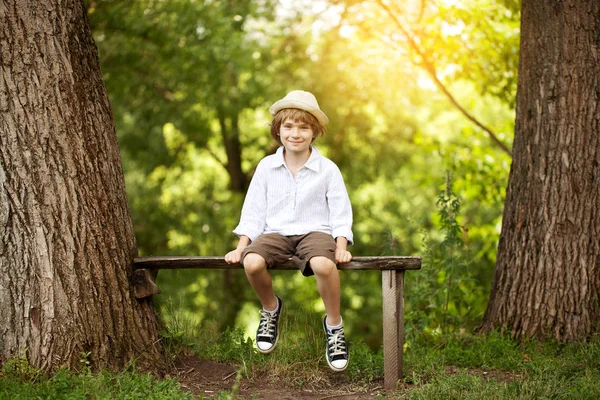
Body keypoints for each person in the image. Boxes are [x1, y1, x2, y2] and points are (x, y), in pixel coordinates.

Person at [224, 90, 353, 372]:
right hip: (275, 233)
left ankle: (334, 327)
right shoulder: (266, 167)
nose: (296, 133)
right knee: (252, 262)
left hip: (315, 232)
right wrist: (241, 245)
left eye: (304, 127)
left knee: (323, 264)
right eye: (289, 126)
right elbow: (254, 211)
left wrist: (341, 245)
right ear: (278, 130)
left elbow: (340, 212)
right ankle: (270, 309)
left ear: (314, 132)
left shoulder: (328, 169)